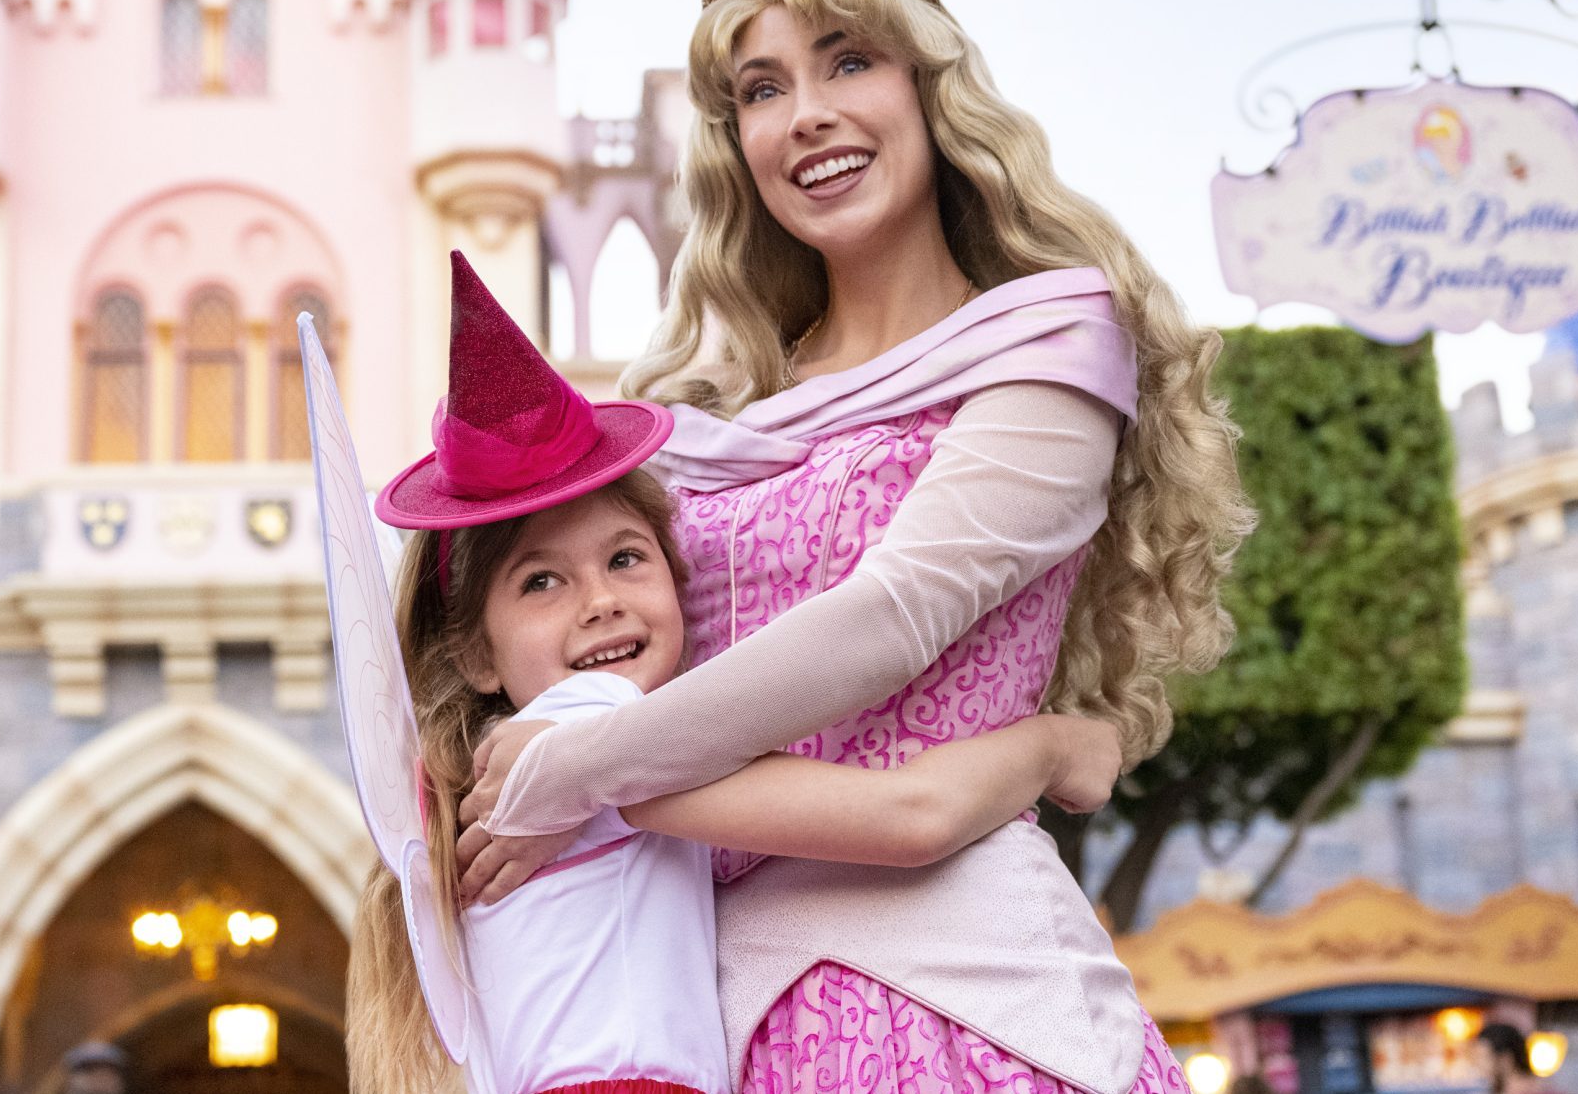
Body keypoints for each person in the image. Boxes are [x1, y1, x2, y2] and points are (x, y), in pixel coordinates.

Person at [456, 0, 1253, 1094]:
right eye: (761, 90)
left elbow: (887, 620)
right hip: (712, 1013)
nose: (806, 113)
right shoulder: (705, 416)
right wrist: (1042, 747)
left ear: (928, 89)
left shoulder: (1045, 351)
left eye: (847, 61)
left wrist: (586, 772)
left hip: (962, 999)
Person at [343, 253, 1127, 1094]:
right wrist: (1056, 745)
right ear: (472, 651)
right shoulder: (585, 734)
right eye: (541, 580)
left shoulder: (488, 772)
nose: (600, 601)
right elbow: (912, 816)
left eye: (626, 557)